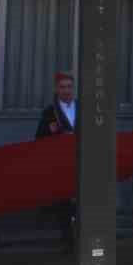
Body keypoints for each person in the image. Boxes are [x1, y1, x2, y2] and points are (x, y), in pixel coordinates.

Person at [35, 71, 79, 252]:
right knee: (64, 204)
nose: (66, 91)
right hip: (60, 164)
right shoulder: (49, 112)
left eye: (69, 87)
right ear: (56, 89)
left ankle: (83, 238)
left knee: (83, 202)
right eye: (62, 87)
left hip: (80, 162)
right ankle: (68, 241)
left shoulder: (83, 108)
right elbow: (39, 139)